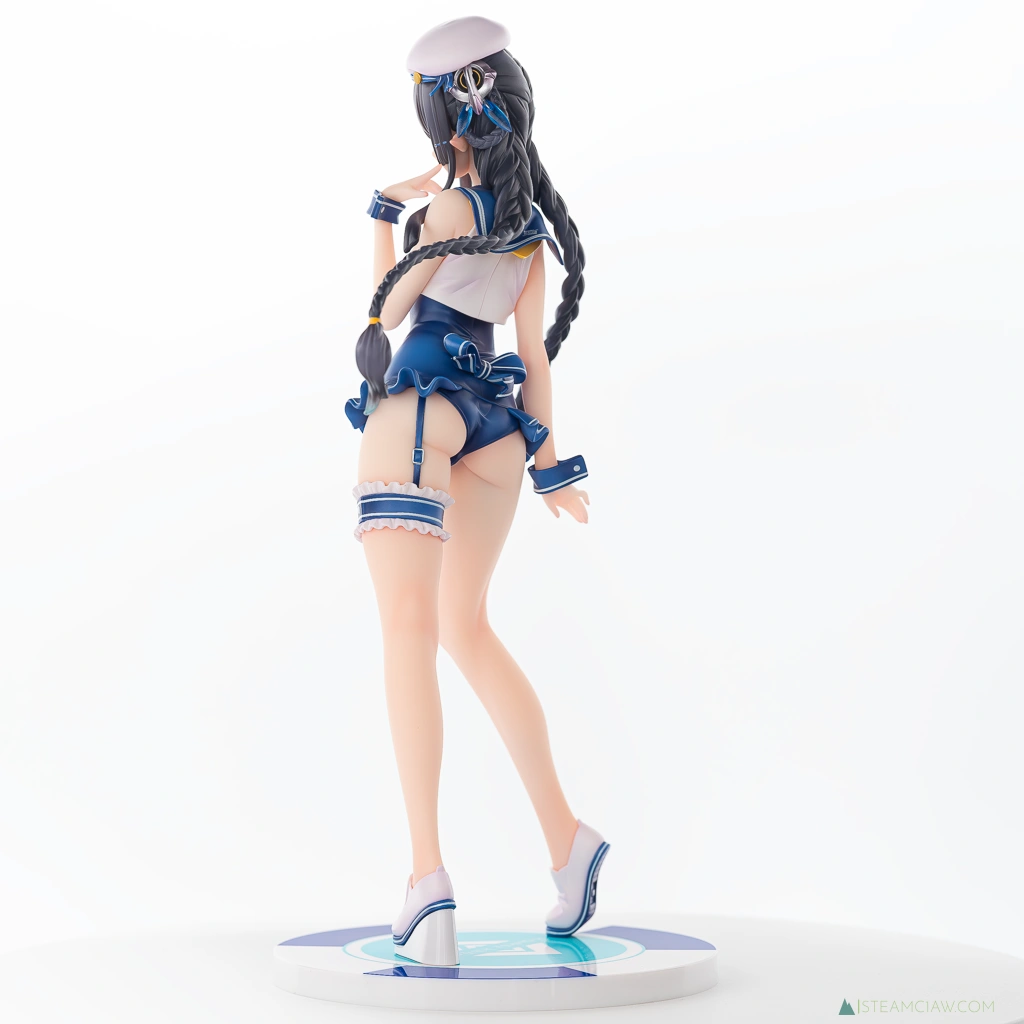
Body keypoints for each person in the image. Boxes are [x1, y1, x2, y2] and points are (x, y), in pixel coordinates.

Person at [346, 16, 608, 966]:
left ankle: (428, 883)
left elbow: (385, 313)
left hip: (419, 411)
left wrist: (382, 214)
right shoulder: (530, 230)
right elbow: (533, 357)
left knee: (409, 631)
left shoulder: (449, 212)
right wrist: (551, 469)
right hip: (494, 430)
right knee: (466, 627)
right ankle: (568, 842)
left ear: (440, 119)